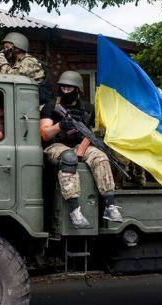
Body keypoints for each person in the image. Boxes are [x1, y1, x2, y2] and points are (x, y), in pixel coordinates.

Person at [40, 71, 123, 228]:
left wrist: (81, 151)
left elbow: (90, 134)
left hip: (80, 145)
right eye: (63, 88)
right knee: (68, 158)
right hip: (56, 146)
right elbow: (44, 134)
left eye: (69, 88)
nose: (66, 91)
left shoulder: (88, 109)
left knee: (100, 156)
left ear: (77, 90)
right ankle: (74, 210)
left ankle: (110, 205)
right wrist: (59, 126)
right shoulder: (51, 106)